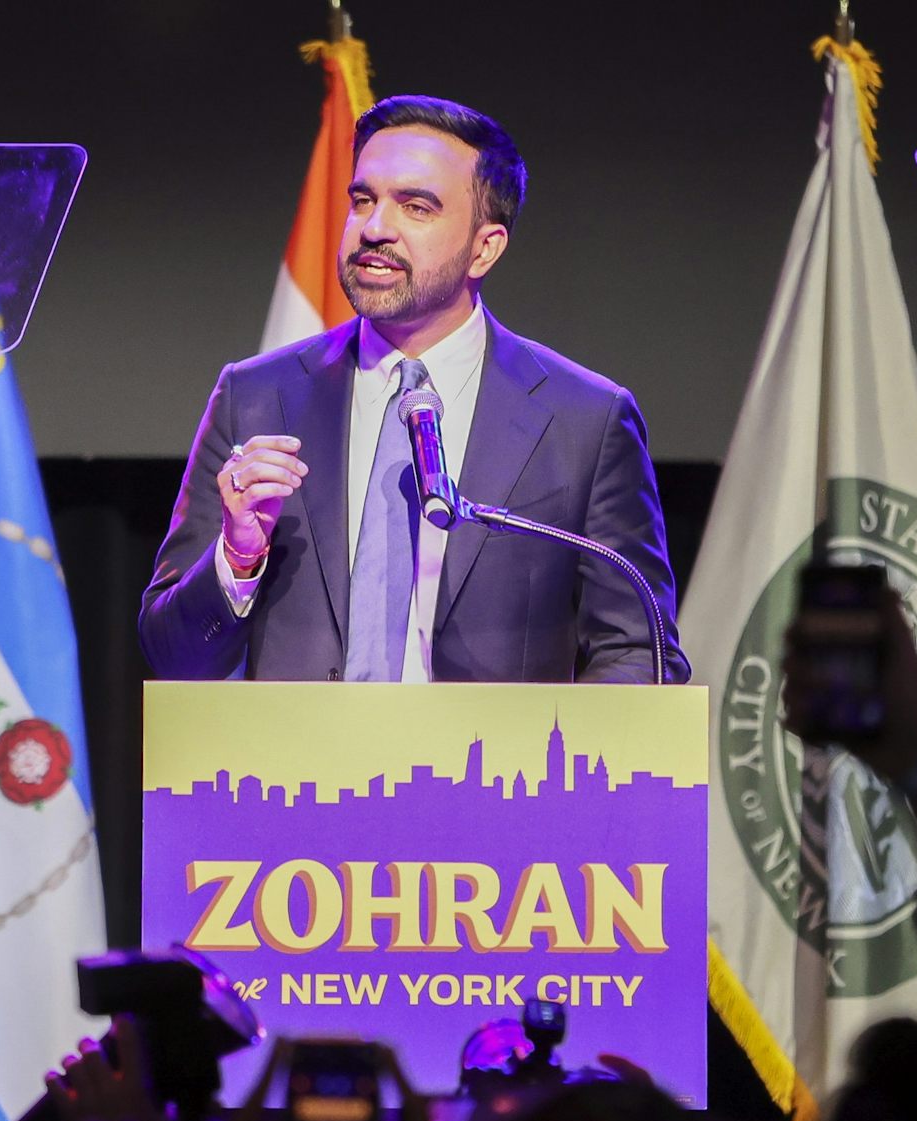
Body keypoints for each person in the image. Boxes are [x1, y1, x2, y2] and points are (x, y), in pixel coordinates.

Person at [139, 95, 683, 683]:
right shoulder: (254, 396)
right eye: (363, 200)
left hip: (493, 772)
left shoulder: (585, 421)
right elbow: (174, 657)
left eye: (416, 207)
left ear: (484, 247)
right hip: (294, 774)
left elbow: (638, 654)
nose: (375, 229)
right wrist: (238, 558)